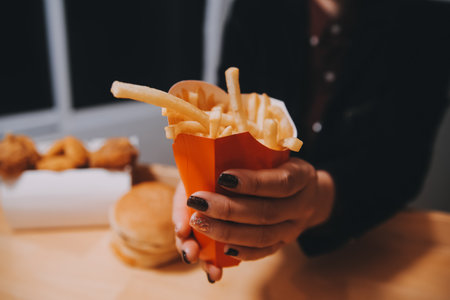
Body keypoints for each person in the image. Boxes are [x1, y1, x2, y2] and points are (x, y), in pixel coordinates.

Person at [172, 0, 450, 283]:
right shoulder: (254, 7)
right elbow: (228, 108)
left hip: (373, 248)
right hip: (251, 248)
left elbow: (404, 164)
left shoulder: (426, 20)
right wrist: (205, 168)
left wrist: (319, 197)